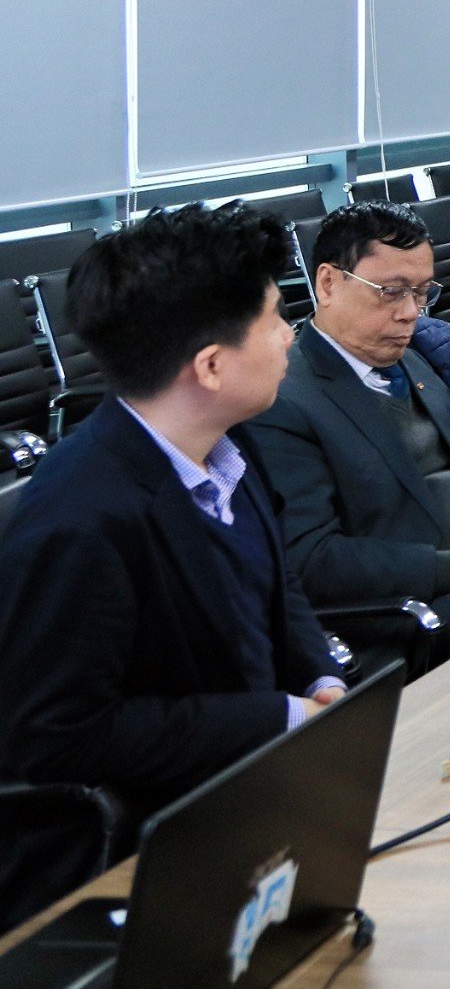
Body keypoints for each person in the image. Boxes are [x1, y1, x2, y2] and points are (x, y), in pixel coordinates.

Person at [0, 207, 340, 927]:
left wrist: (319, 678)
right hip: (137, 862)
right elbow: (59, 735)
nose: (290, 335)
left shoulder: (225, 447)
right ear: (211, 365)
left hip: (251, 802)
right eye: (275, 319)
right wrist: (279, 716)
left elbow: (275, 582)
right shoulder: (80, 518)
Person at [242, 204, 450, 662]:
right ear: (328, 283)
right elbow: (315, 562)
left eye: (422, 293)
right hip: (423, 614)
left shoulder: (410, 361)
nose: (411, 313)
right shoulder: (284, 400)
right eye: (392, 292)